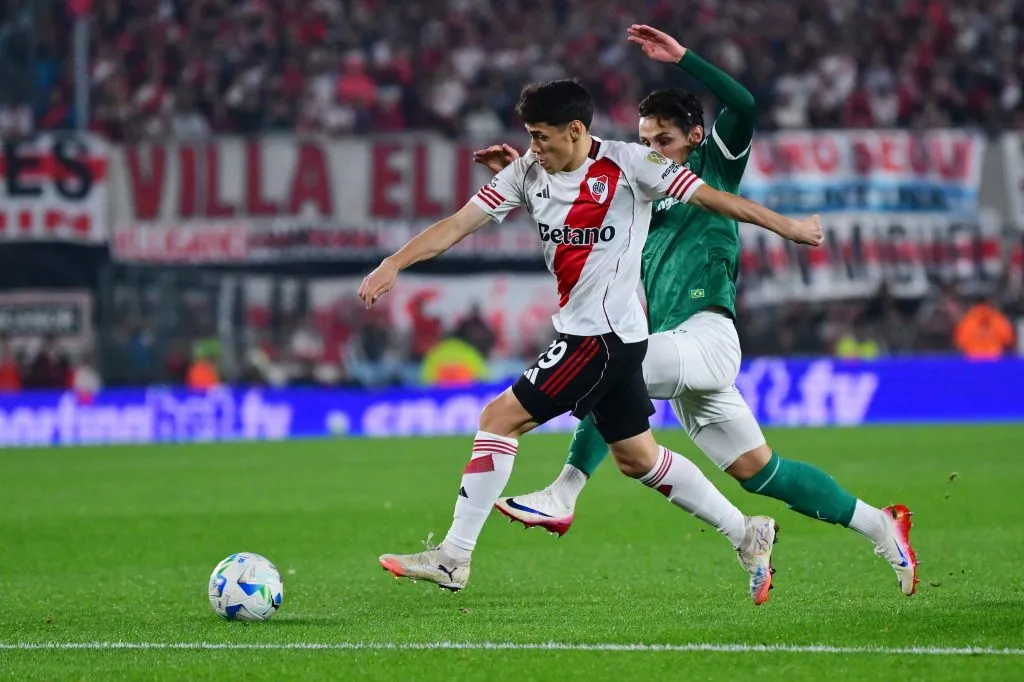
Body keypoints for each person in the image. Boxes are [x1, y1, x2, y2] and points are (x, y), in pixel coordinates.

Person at [485, 25, 919, 596]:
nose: (651, 151)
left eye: (663, 140)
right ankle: (876, 523)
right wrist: (530, 172)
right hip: (676, 349)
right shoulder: (636, 185)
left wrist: (684, 59)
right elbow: (571, 204)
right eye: (645, 141)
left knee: (611, 362)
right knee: (761, 473)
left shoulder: (712, 168)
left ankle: (563, 492)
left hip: (708, 336)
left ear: (695, 137)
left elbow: (744, 104)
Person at [359, 68, 822, 603]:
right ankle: (747, 532)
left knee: (498, 419)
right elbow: (458, 224)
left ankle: (453, 557)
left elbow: (716, 200)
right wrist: (394, 262)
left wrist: (788, 227)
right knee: (638, 458)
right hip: (602, 337)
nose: (533, 147)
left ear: (575, 130)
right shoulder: (527, 171)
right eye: (530, 136)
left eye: (541, 136)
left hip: (601, 340)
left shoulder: (630, 164)